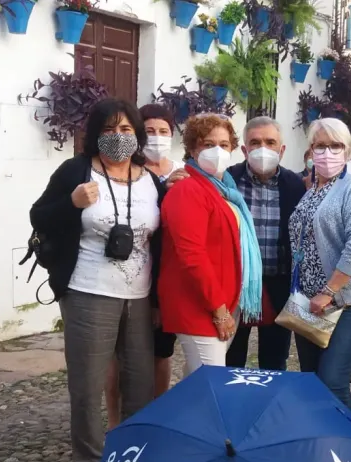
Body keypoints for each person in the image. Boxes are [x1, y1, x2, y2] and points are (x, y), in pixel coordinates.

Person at [29, 98, 163, 462]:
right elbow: (39, 215)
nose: (118, 138)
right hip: (88, 290)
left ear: (137, 134)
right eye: (108, 130)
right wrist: (71, 204)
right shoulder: (76, 171)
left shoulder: (150, 181)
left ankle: (134, 456)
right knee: (87, 384)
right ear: (94, 134)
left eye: (126, 130)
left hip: (139, 295)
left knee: (139, 381)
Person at [158, 114, 263, 373]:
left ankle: (180, 415)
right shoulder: (188, 189)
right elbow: (191, 254)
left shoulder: (223, 189)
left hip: (222, 301)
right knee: (211, 382)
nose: (217, 150)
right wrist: (219, 310)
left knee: (199, 380)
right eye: (208, 144)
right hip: (200, 304)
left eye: (224, 144)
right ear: (193, 149)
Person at [290, 118, 351, 412]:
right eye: (320, 145)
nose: (327, 152)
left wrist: (329, 291)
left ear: (347, 150)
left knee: (332, 380)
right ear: (310, 151)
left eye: (336, 145)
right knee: (312, 381)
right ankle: (321, 445)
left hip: (347, 299)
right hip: (309, 301)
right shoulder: (310, 191)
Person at [103, 103, 179, 431]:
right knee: (119, 355)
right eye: (149, 131)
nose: (157, 138)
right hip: (123, 276)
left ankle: (156, 419)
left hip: (165, 278)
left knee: (161, 353)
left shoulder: (182, 173)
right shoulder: (123, 170)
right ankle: (116, 421)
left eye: (164, 132)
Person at [224, 117, 306, 371]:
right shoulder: (228, 181)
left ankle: (269, 409)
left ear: (281, 150)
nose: (263, 148)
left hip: (278, 282)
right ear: (244, 150)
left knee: (274, 358)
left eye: (270, 142)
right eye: (255, 142)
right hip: (237, 283)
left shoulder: (294, 184)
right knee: (231, 355)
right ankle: (233, 407)